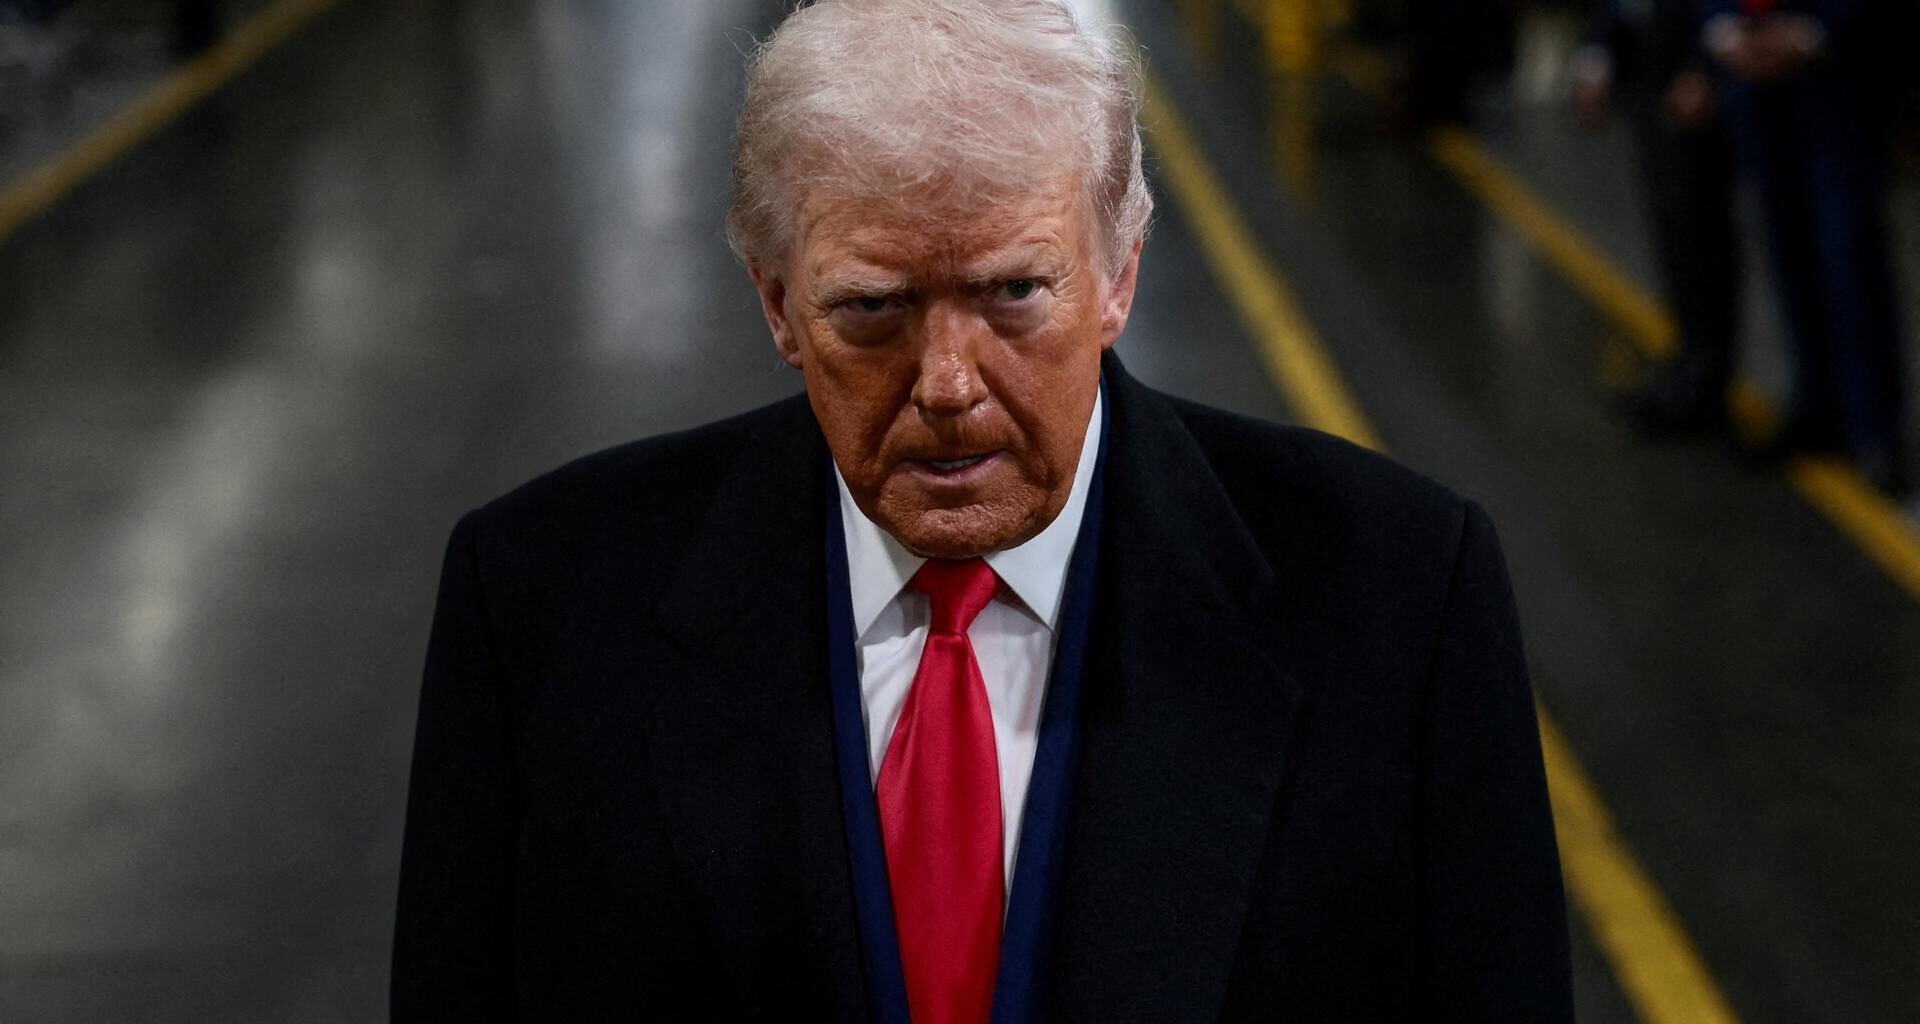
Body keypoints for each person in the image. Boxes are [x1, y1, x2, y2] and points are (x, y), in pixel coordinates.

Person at [390, 1, 1572, 1020]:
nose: (949, 384)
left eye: (1015, 293)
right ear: (774, 301)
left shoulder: (1405, 598)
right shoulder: (537, 609)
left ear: (1119, 271)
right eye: (874, 309)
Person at [1700, 0, 1908, 495]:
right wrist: (1724, 30)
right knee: (1786, 246)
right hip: (1753, 76)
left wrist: (1812, 31)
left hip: (1837, 70)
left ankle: (1874, 428)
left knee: (1850, 253)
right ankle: (1817, 405)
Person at [1574, 0, 1741, 434]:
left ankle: (1705, 380)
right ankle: (1688, 365)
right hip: (1648, 73)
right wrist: (1598, 55)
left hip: (1690, 71)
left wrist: (1704, 66)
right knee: (1673, 232)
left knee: (1700, 235)